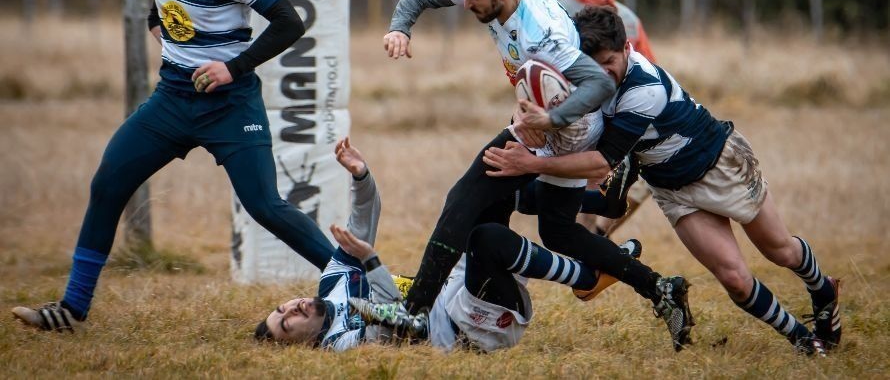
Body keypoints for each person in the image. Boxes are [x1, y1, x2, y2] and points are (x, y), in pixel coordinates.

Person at [12, 0, 334, 332]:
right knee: (108, 184)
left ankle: (357, 281)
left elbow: (290, 23)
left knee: (264, 205)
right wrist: (154, 20)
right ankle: (72, 308)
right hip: (172, 100)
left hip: (230, 106)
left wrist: (233, 67)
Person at [482, 5, 842, 356]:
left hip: (721, 165)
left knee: (780, 251)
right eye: (594, 67)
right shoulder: (578, 76)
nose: (603, 76)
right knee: (734, 280)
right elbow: (537, 92)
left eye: (610, 63)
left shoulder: (644, 89)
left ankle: (822, 289)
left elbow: (600, 161)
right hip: (672, 189)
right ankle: (802, 340)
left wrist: (529, 163)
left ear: (626, 48)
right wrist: (525, 111)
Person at [382, 0, 675, 328]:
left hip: (572, 127)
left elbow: (600, 85)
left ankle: (415, 310)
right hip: (548, 116)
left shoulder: (543, 34)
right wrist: (401, 28)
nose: (465, 4)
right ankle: (659, 287)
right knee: (557, 231)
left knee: (466, 197)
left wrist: (547, 121)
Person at [257, 138, 692, 352]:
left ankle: (602, 201)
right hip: (468, 328)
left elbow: (361, 224)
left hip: (454, 291)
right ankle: (585, 275)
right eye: (286, 325)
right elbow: (399, 321)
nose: (291, 310)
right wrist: (371, 262)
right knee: (485, 237)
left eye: (281, 308)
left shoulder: (331, 281)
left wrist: (360, 177)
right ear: (300, 345)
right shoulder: (337, 343)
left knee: (492, 189)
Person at [559, 0, 655, 238]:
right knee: (584, 186)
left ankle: (597, 237)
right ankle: (580, 247)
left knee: (639, 182)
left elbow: (650, 64)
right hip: (577, 114)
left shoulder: (628, 18)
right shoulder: (559, 11)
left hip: (622, 114)